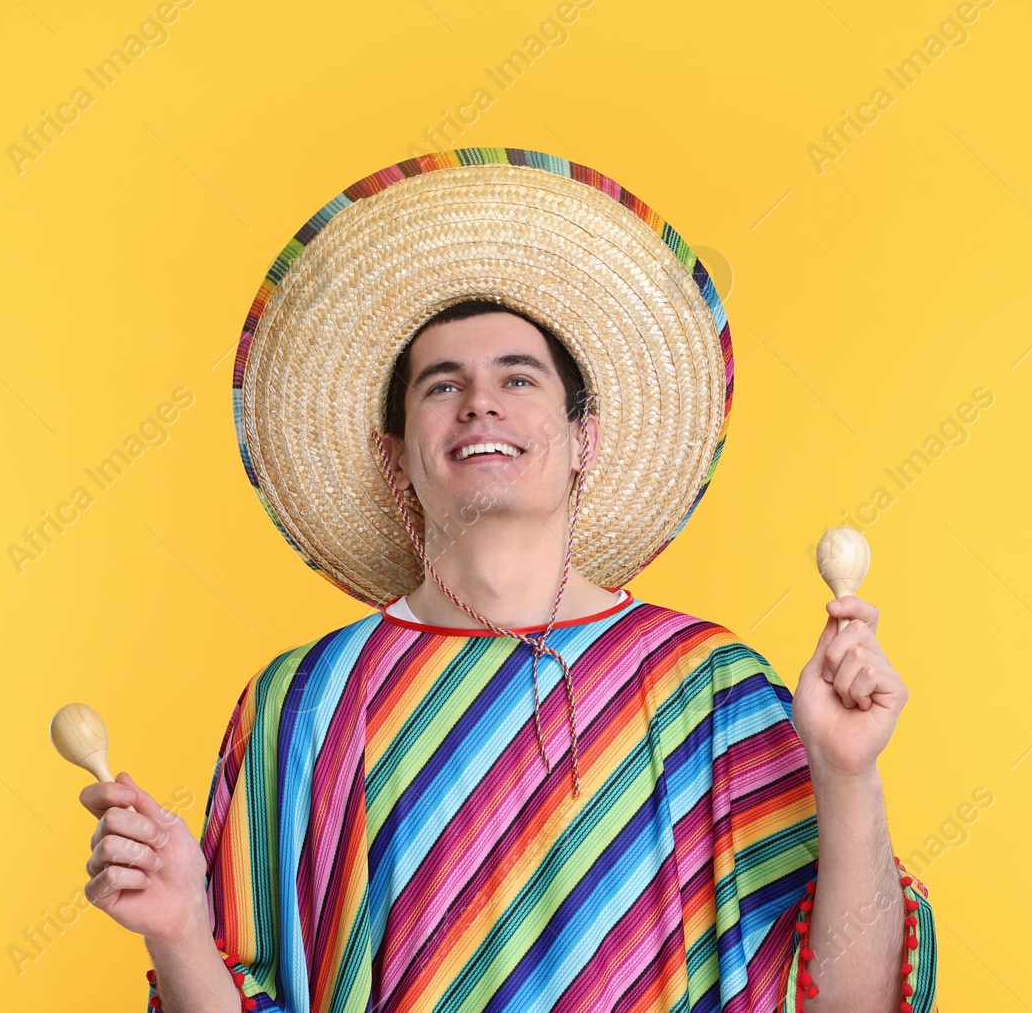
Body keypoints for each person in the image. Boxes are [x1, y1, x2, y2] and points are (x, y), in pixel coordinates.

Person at [76, 149, 937, 1013]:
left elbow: (846, 1006)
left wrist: (846, 773)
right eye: (441, 385)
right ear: (395, 458)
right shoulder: (301, 707)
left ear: (584, 440)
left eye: (517, 379)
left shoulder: (709, 687)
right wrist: (182, 925)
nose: (480, 404)